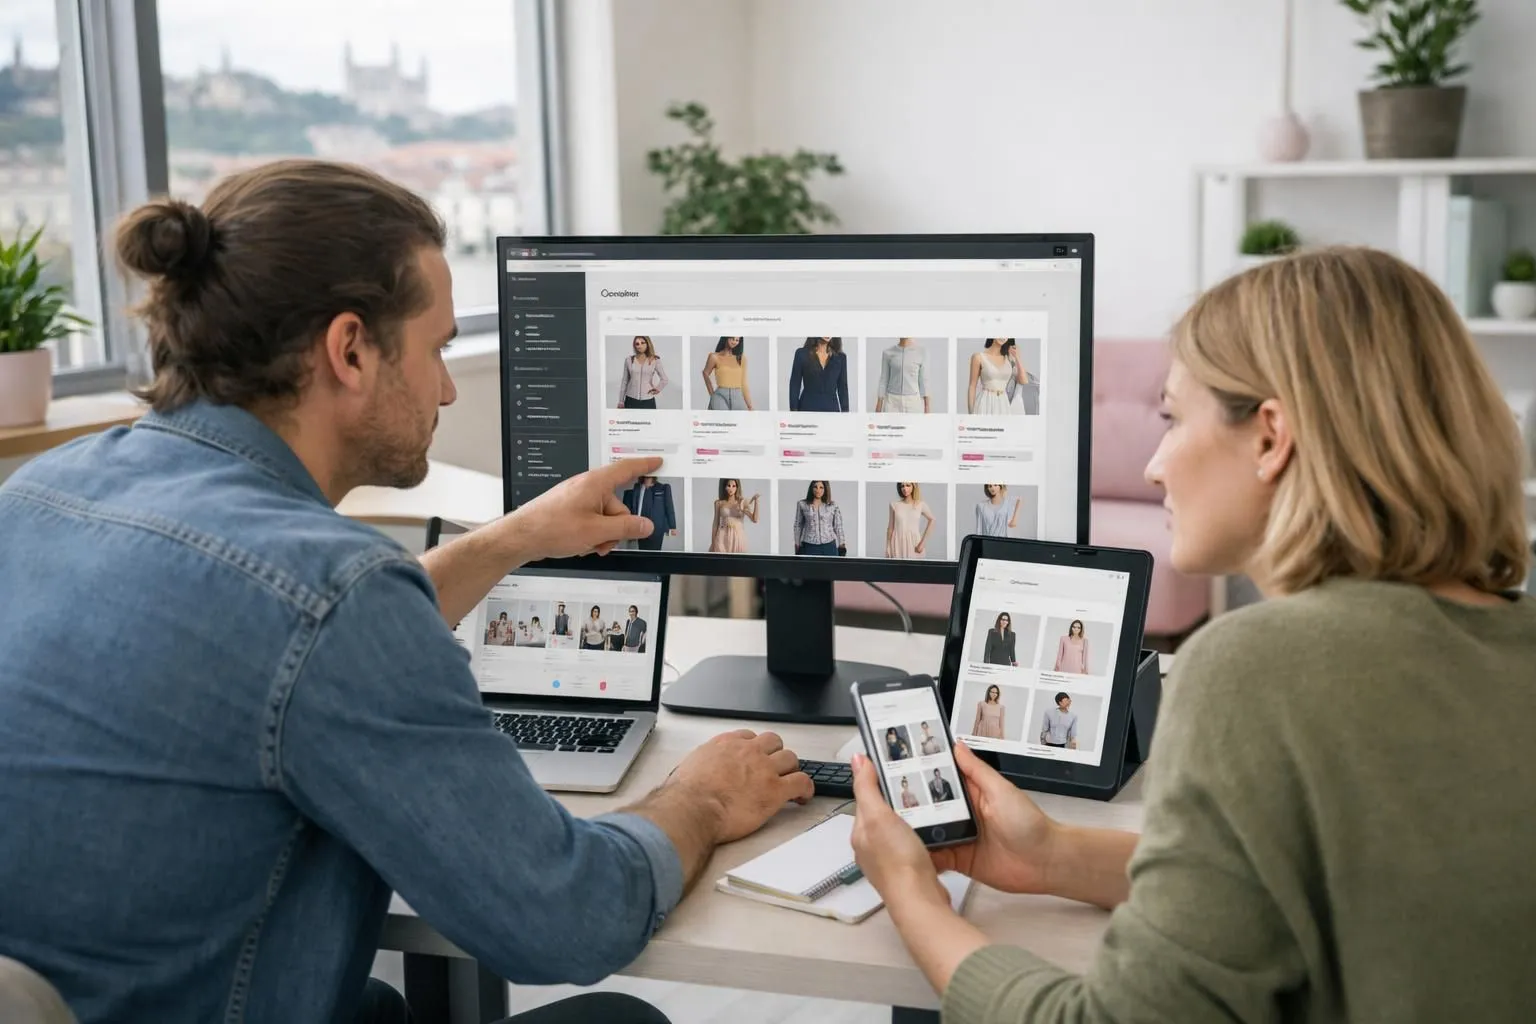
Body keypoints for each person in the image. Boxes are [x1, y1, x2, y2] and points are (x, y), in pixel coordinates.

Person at [0, 160, 817, 1024]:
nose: (448, 388)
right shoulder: (333, 593)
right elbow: (567, 919)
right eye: (437, 349)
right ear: (350, 350)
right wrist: (700, 799)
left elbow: (285, 639)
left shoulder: (40, 493)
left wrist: (515, 537)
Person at [845, 246, 1536, 1022]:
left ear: (1270, 437)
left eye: (1172, 418)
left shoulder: (1257, 668)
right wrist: (1055, 855)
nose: (1153, 466)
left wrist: (910, 894)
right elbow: (1342, 885)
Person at [787, 336, 850, 412]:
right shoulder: (802, 354)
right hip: (807, 409)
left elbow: (843, 388)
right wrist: (793, 411)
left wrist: (846, 413)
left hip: (831, 411)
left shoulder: (840, 357)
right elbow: (795, 384)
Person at [966, 338, 1025, 415]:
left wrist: (1017, 357)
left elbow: (1023, 381)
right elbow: (972, 386)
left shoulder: (1008, 358)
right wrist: (971, 414)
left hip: (1003, 403)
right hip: (985, 402)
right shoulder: (978, 357)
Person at [874, 336, 929, 414]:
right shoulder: (888, 353)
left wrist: (927, 406)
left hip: (913, 403)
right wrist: (879, 405)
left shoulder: (921, 352)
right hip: (892, 402)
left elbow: (924, 380)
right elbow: (884, 379)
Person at [622, 476, 677, 551]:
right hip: (640, 528)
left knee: (654, 553)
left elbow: (669, 507)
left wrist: (672, 526)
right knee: (642, 552)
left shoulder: (663, 488)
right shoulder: (637, 488)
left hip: (656, 529)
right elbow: (632, 508)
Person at [793, 480, 846, 556]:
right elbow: (798, 525)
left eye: (821, 487)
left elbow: (838, 526)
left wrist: (842, 543)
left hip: (829, 546)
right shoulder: (802, 504)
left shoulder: (832, 505)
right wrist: (797, 543)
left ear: (826, 489)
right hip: (809, 546)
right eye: (815, 487)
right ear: (811, 488)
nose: (818, 490)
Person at [616, 335, 669, 410]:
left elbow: (664, 379)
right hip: (630, 400)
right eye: (637, 344)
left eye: (642, 343)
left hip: (648, 401)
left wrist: (657, 389)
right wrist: (621, 401)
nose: (639, 346)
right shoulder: (629, 360)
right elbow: (625, 381)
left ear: (648, 344)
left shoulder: (655, 360)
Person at [701, 336, 754, 411]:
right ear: (726, 337)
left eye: (737, 340)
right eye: (732, 338)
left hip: (737, 395)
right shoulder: (714, 357)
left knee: (742, 417)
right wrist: (712, 395)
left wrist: (750, 405)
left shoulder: (741, 358)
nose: (734, 342)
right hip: (720, 396)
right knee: (722, 418)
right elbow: (705, 373)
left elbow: (743, 383)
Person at [885, 482, 935, 559]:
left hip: (914, 544)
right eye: (902, 486)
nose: (905, 489)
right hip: (897, 543)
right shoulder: (894, 505)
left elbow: (932, 520)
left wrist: (922, 543)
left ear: (913, 486)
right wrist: (888, 547)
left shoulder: (920, 504)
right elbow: (890, 528)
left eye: (908, 485)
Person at [709, 478, 759, 553]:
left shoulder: (742, 502)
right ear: (724, 487)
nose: (731, 488)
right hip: (722, 535)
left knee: (737, 559)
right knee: (721, 558)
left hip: (738, 536)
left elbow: (755, 519)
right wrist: (713, 543)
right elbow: (715, 523)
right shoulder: (719, 503)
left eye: (734, 486)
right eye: (728, 485)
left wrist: (756, 501)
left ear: (737, 487)